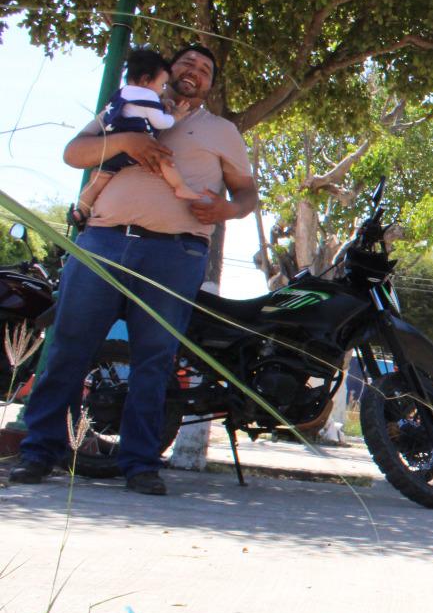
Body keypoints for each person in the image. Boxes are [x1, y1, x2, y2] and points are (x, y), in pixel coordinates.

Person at [9, 44, 258, 496]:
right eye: (187, 63)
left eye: (205, 70)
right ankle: (39, 453)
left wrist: (227, 209)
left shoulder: (222, 131)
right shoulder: (124, 105)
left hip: (176, 254)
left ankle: (141, 464)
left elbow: (248, 196)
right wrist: (125, 141)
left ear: (208, 87)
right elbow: (73, 153)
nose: (194, 72)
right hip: (102, 243)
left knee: (155, 360)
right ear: (167, 69)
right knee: (68, 348)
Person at [72, 48, 205, 226]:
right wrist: (175, 117)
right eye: (162, 85)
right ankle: (180, 186)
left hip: (110, 151)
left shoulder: (121, 94)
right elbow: (159, 122)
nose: (162, 91)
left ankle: (80, 211)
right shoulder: (148, 96)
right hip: (138, 147)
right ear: (145, 80)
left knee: (97, 181)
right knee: (164, 160)